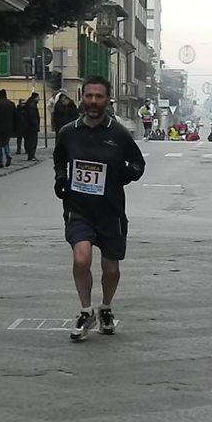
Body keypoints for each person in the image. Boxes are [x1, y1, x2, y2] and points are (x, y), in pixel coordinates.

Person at [53, 76, 146, 342]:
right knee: (81, 259)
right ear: (82, 97)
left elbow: (138, 164)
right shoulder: (68, 132)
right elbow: (60, 158)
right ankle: (85, 310)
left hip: (110, 211)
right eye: (89, 96)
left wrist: (125, 174)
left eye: (99, 97)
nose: (93, 102)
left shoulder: (118, 134)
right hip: (78, 208)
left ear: (107, 100)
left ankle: (105, 307)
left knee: (111, 270)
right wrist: (61, 178)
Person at [0, 89, 16, 168]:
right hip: (9, 127)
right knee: (6, 143)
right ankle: (8, 154)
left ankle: (0, 162)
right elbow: (15, 116)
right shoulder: (11, 104)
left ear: (0, 96)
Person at [24, 93, 40, 161]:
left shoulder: (30, 104)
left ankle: (31, 155)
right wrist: (36, 125)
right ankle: (31, 156)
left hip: (29, 126)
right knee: (33, 142)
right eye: (38, 97)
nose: (39, 99)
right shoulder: (32, 105)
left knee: (30, 141)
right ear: (35, 97)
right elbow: (32, 117)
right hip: (32, 127)